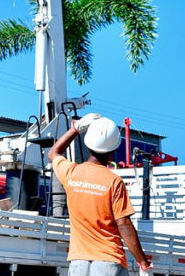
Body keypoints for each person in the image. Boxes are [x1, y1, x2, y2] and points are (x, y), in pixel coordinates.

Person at [48, 113, 153, 276]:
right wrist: (143, 263)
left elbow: (53, 153)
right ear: (113, 151)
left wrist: (75, 129)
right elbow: (124, 225)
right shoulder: (114, 182)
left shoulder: (71, 173)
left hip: (78, 263)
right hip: (109, 262)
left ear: (87, 145)